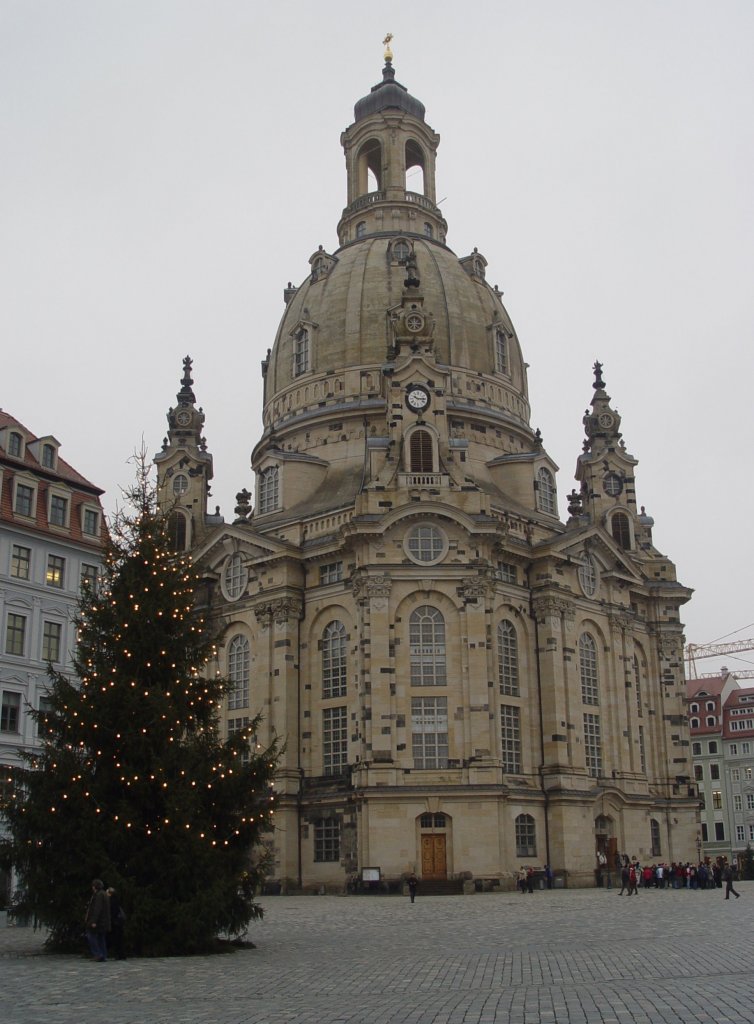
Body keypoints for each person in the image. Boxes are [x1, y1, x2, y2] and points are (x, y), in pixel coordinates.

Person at [85, 879, 111, 962]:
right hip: (104, 921)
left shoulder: (98, 895)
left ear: (94, 886)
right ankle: (103, 955)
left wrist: (93, 921)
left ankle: (98, 954)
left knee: (91, 936)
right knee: (101, 938)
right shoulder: (104, 894)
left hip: (99, 921)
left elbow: (97, 909)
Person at [107, 886, 126, 958]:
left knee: (116, 938)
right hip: (119, 922)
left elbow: (113, 912)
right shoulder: (117, 899)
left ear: (110, 893)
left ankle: (119, 954)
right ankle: (120, 954)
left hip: (115, 922)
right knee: (120, 938)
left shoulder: (112, 901)